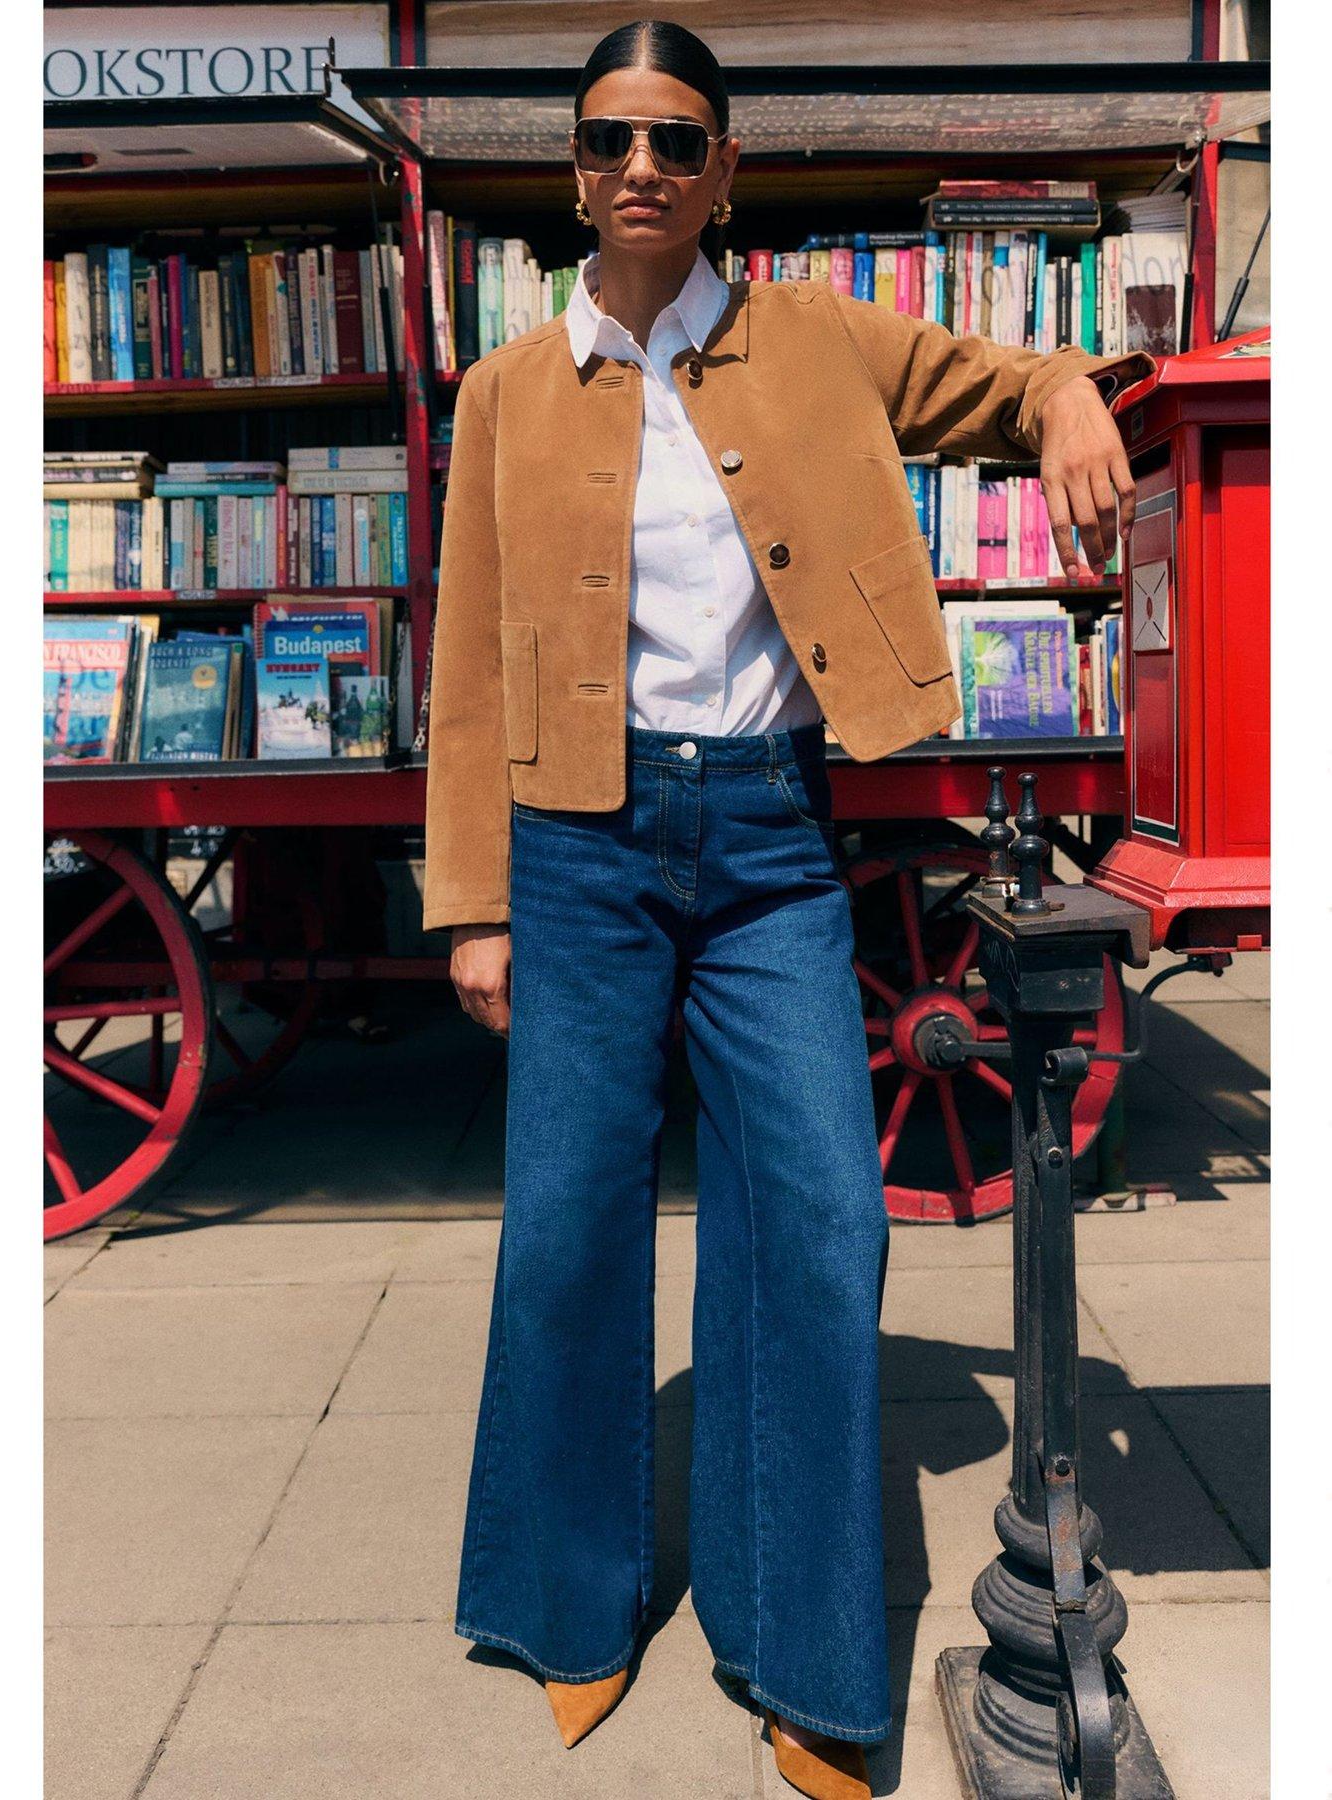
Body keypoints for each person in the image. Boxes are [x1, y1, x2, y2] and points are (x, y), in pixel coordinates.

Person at [421, 20, 1152, 1799]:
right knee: (569, 1228)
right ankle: (566, 1608)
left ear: (726, 169)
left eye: (679, 139)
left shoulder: (817, 336)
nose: (643, 168)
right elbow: (461, 664)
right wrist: (471, 905)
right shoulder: (508, 389)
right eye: (610, 140)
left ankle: (804, 1656)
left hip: (765, 843)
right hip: (579, 848)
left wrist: (1062, 395)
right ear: (571, 173)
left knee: (821, 1222)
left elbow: (1002, 377)